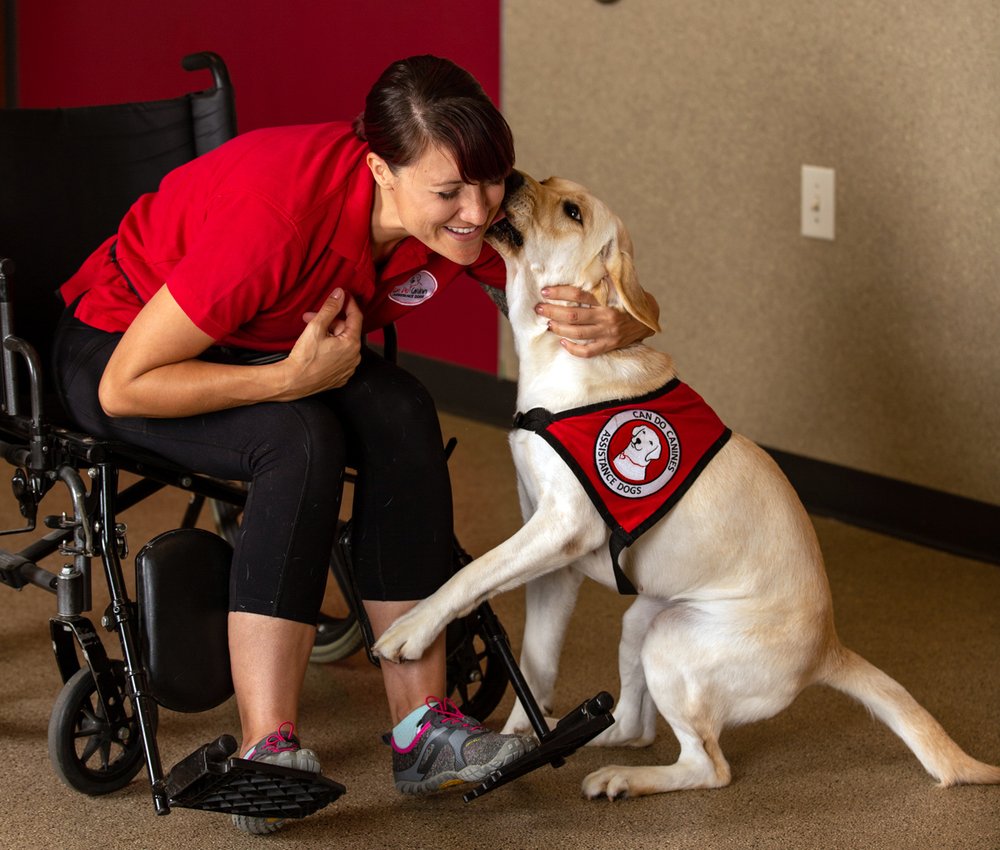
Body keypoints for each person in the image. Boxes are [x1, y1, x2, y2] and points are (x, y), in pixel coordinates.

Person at [53, 54, 658, 832]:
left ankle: (424, 731)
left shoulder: (464, 193)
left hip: (267, 340)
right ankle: (267, 748)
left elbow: (602, 272)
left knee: (401, 407)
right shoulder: (277, 221)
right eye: (449, 194)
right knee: (297, 436)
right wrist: (286, 380)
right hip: (120, 345)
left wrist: (625, 321)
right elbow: (123, 388)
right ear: (381, 169)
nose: (479, 212)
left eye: (492, 181)